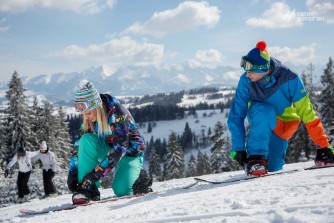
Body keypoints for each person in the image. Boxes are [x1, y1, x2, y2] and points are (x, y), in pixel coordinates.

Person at [228, 40, 334, 176]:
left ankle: (264, 162)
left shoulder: (290, 79)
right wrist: (238, 147)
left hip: (284, 124)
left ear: (264, 68)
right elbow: (237, 114)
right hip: (261, 118)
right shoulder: (246, 81)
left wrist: (323, 146)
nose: (247, 74)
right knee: (264, 110)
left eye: (251, 70)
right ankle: (256, 158)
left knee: (273, 167)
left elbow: (307, 113)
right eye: (246, 69)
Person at [69, 80, 147, 204]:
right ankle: (87, 191)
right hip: (108, 149)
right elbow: (79, 145)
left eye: (88, 113)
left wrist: (94, 176)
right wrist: (73, 171)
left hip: (129, 154)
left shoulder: (118, 114)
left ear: (97, 106)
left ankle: (139, 179)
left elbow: (120, 150)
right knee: (85, 140)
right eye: (84, 114)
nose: (87, 117)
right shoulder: (90, 118)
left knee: (122, 191)